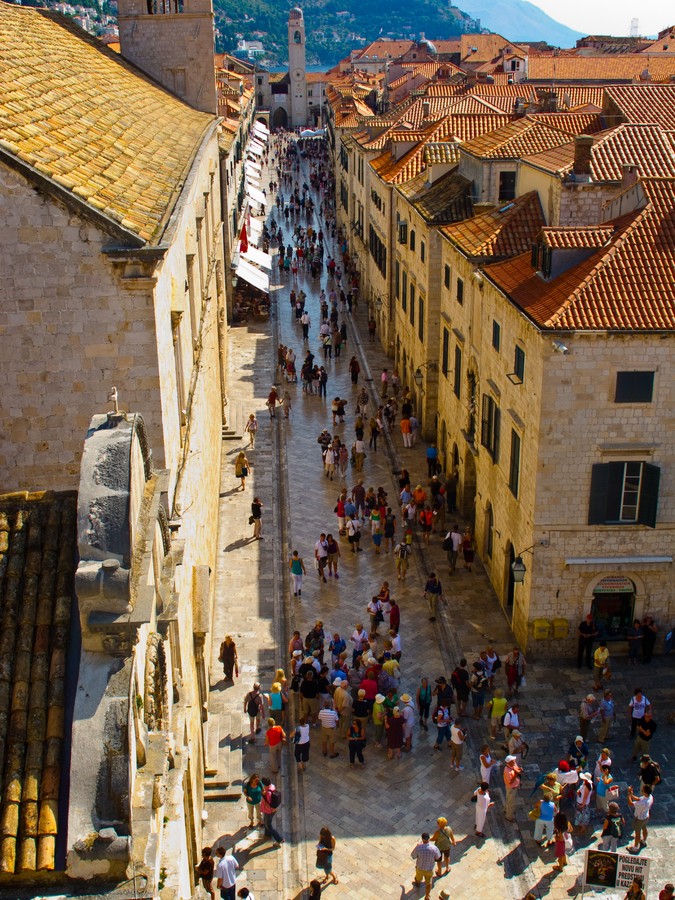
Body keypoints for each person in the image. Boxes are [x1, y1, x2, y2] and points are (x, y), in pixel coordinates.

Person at [411, 833, 441, 899]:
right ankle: (427, 896)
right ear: (429, 839)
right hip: (429, 869)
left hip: (420, 868)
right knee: (428, 883)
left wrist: (417, 846)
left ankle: (418, 883)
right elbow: (438, 857)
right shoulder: (434, 848)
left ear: (422, 839)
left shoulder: (419, 848)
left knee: (418, 877)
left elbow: (413, 856)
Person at [260, 778, 284, 846]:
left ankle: (279, 839)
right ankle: (267, 834)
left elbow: (268, 802)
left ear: (265, 785)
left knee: (268, 825)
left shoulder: (268, 793)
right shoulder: (272, 786)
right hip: (271, 810)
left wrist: (263, 794)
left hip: (269, 811)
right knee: (266, 821)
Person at [503, 755, 522, 822]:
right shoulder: (507, 771)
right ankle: (509, 816)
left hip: (514, 786)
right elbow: (510, 782)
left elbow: (517, 769)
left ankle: (506, 810)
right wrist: (516, 774)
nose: (515, 761)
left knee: (508, 799)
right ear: (509, 762)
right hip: (511, 788)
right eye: (513, 760)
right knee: (511, 802)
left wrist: (519, 770)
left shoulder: (513, 765)